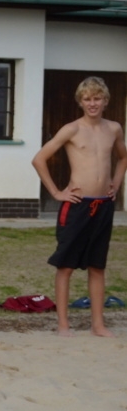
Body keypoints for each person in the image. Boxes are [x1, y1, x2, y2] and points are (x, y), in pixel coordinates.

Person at [31, 76, 126, 337]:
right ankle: (63, 324)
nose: (92, 103)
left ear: (105, 101)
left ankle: (98, 324)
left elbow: (123, 157)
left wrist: (116, 185)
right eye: (87, 99)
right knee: (66, 266)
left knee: (97, 266)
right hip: (76, 205)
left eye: (97, 98)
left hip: (103, 205)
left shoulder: (114, 128)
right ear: (80, 102)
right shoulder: (71, 129)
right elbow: (39, 159)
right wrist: (56, 192)